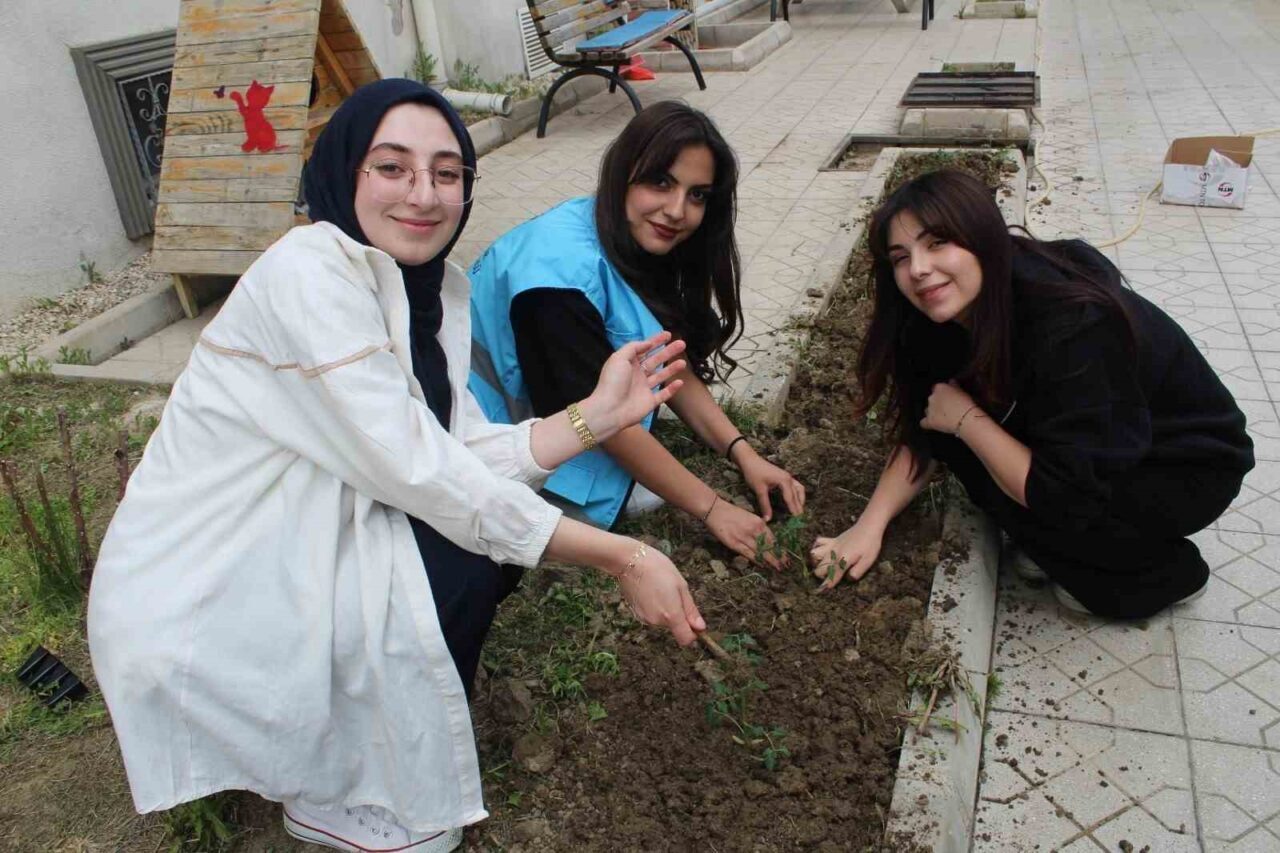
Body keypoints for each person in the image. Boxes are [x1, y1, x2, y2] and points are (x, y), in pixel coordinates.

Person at [87, 80, 706, 853]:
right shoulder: (308, 276)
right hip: (213, 577)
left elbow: (453, 445)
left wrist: (597, 417)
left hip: (308, 517)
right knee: (460, 559)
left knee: (475, 548)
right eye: (392, 167)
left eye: (447, 173)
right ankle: (330, 790)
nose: (423, 194)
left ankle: (363, 743)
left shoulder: (423, 285)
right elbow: (424, 473)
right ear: (345, 170)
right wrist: (624, 556)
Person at [809, 169, 1254, 620]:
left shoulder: (1072, 326)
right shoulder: (941, 314)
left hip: (1183, 464)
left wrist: (967, 420)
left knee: (1062, 540)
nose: (919, 269)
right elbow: (924, 428)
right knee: (963, 446)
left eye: (938, 243)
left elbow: (1064, 493)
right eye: (900, 257)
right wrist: (868, 527)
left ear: (982, 238)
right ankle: (1061, 538)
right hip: (1107, 444)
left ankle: (1166, 575)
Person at [468, 101, 805, 566]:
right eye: (661, 183)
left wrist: (743, 454)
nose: (677, 211)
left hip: (560, 407)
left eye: (697, 195)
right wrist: (714, 509)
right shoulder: (557, 284)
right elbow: (603, 424)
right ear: (623, 173)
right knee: (643, 493)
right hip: (485, 444)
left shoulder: (617, 228)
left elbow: (664, 359)